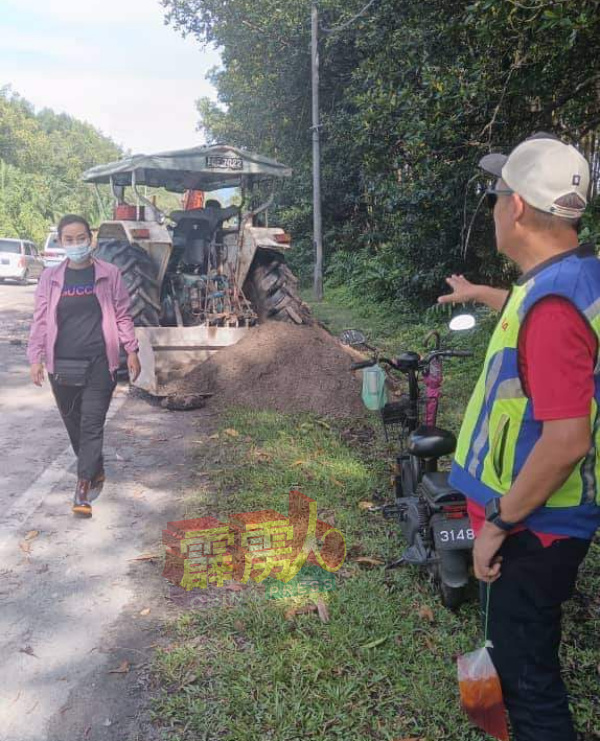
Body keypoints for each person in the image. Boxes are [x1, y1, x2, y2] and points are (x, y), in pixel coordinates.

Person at [440, 133, 599, 741]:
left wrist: (499, 526)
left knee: (528, 684)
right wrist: (485, 295)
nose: (495, 207)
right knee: (525, 666)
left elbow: (566, 441)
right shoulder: (572, 279)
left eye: (496, 194)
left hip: (535, 527)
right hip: (544, 522)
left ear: (519, 209)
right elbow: (548, 325)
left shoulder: (552, 307)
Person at [28, 214, 141, 518]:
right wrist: (35, 357)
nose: (76, 244)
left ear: (91, 238)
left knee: (91, 424)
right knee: (74, 425)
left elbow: (122, 315)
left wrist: (131, 349)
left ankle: (82, 489)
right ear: (61, 241)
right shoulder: (49, 278)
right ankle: (96, 466)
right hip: (61, 364)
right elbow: (40, 321)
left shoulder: (110, 273)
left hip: (100, 363)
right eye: (69, 239)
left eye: (81, 238)